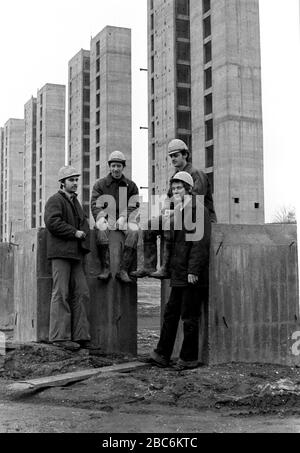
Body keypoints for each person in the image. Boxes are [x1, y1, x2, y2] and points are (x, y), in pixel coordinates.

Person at [149, 171, 211, 371]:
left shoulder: (197, 209)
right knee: (171, 313)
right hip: (179, 273)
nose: (176, 191)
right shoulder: (178, 210)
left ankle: (188, 358)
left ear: (188, 189)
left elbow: (200, 243)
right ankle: (162, 355)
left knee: (189, 316)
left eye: (179, 188)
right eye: (174, 188)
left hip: (191, 275)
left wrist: (193, 270)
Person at [131, 138, 216, 279]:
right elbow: (169, 199)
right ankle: (148, 266)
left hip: (198, 217)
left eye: (176, 155)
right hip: (180, 215)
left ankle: (166, 268)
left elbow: (194, 201)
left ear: (185, 155)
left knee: (170, 224)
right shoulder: (175, 176)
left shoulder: (196, 174)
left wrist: (172, 212)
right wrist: (165, 210)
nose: (173, 158)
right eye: (171, 156)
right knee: (149, 226)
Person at [44, 166, 91, 352]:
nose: (75, 182)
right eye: (71, 180)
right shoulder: (55, 200)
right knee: (60, 293)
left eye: (76, 179)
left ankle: (81, 336)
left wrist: (83, 233)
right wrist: (75, 233)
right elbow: (52, 223)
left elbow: (85, 222)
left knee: (82, 292)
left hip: (75, 255)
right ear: (62, 182)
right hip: (61, 253)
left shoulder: (76, 203)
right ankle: (59, 337)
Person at [90, 151, 140, 284]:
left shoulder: (131, 186)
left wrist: (124, 217)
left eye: (119, 166)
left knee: (134, 231)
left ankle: (123, 270)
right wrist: (101, 217)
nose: (116, 169)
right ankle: (106, 268)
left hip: (124, 220)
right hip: (106, 218)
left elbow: (134, 205)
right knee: (101, 228)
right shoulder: (100, 185)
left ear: (123, 167)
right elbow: (95, 204)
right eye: (113, 166)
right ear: (109, 167)